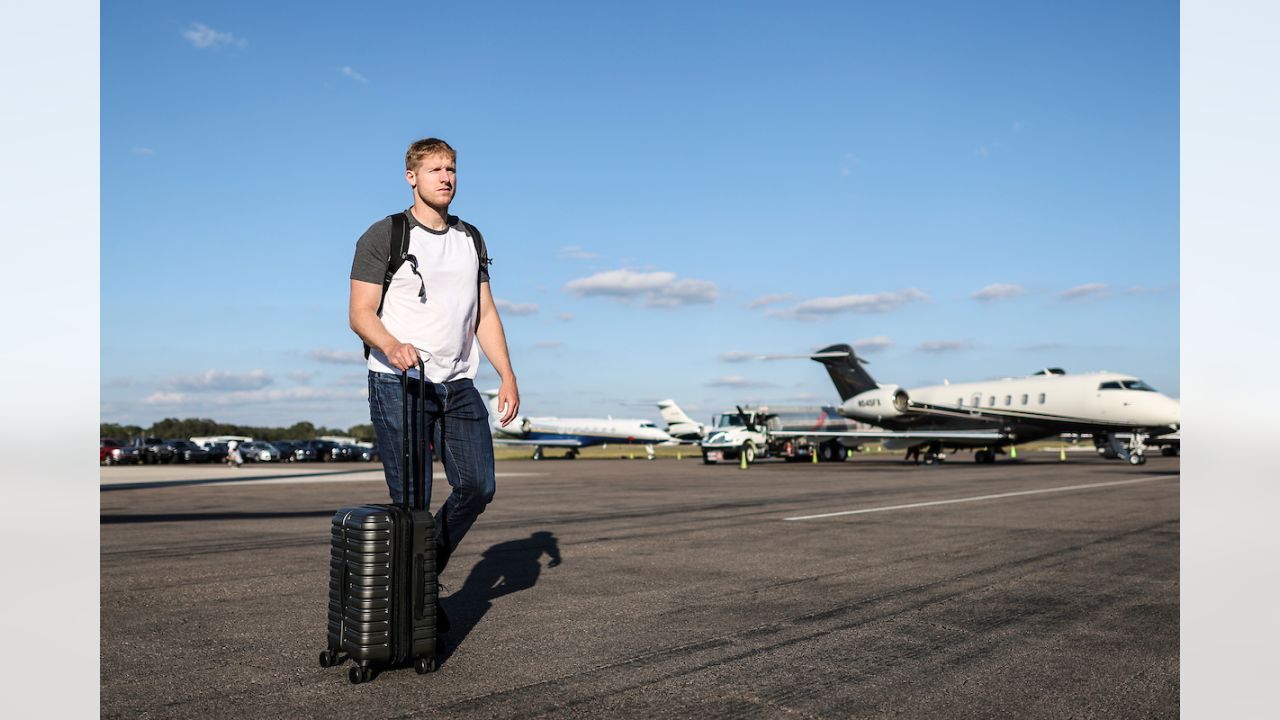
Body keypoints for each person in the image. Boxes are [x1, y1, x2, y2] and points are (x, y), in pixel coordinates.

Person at [348, 137, 519, 632]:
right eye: (435, 170)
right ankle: (413, 601)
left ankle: (418, 577)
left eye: (452, 169)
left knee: (477, 486)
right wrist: (392, 344)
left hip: (459, 383)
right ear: (412, 177)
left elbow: (485, 312)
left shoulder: (471, 239)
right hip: (399, 382)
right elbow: (360, 314)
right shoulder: (386, 235)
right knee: (413, 503)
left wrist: (507, 373)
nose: (446, 177)